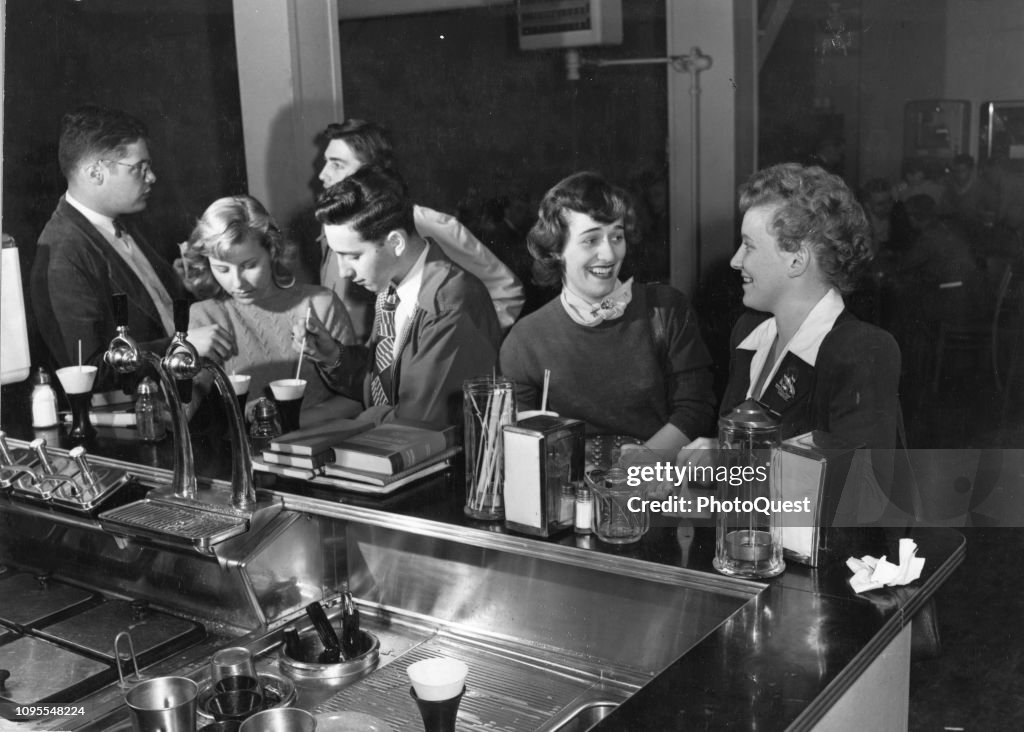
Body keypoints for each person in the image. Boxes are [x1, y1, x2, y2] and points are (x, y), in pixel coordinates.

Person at [681, 163, 902, 458]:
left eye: (748, 246)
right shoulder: (749, 333)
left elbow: (856, 488)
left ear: (797, 261)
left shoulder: (861, 349)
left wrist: (731, 458)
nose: (735, 261)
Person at [499, 172, 717, 454]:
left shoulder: (666, 310)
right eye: (590, 241)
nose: (610, 255)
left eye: (616, 237)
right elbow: (522, 448)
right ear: (555, 251)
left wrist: (642, 463)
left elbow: (695, 410)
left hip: (655, 486)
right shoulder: (524, 340)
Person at [29, 104, 232, 393]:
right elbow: (88, 372)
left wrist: (183, 289)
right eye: (140, 168)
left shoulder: (123, 221)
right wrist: (178, 348)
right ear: (95, 173)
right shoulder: (64, 253)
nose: (152, 177)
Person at [298, 165, 502, 427]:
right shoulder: (392, 288)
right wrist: (333, 357)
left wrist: (364, 421)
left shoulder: (449, 302)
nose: (343, 271)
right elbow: (387, 384)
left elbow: (419, 420)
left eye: (354, 256)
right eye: (337, 254)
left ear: (396, 243)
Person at [315, 119, 524, 335]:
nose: (323, 175)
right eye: (325, 162)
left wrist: (462, 342)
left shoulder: (426, 224)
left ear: (372, 172)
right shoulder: (334, 231)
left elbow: (507, 290)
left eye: (337, 164)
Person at [182, 195, 361, 424]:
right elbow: (183, 414)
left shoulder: (320, 303)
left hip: (321, 447)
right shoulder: (205, 316)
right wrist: (184, 354)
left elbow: (356, 398)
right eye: (222, 269)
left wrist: (287, 421)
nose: (237, 282)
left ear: (273, 251)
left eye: (249, 266)